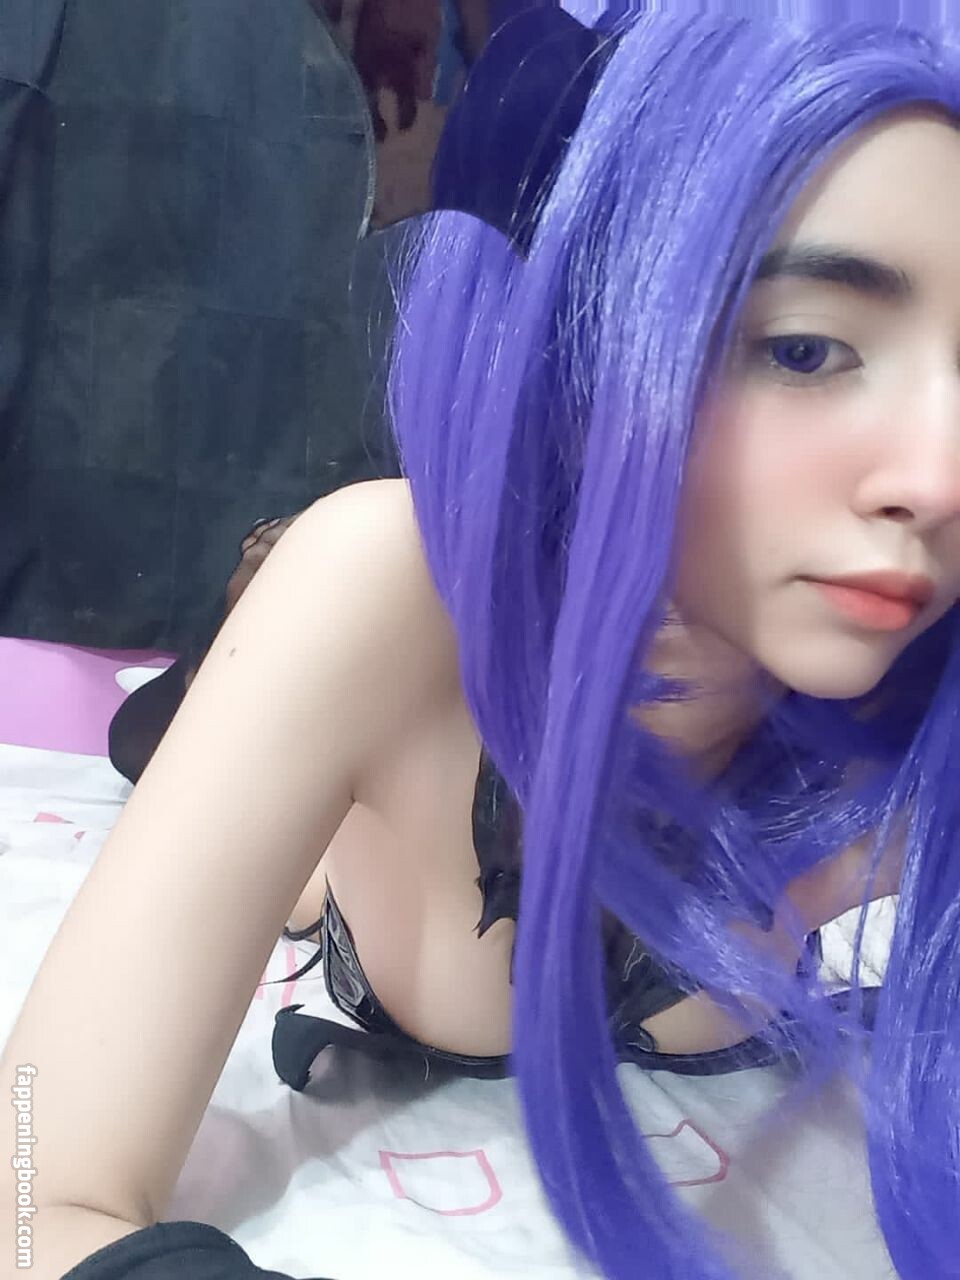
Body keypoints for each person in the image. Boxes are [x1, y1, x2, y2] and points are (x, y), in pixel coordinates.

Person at [4, 5, 960, 1280]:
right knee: (240, 697)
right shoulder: (378, 591)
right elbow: (30, 1187)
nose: (938, 477)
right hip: (381, 638)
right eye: (805, 347)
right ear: (600, 328)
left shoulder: (911, 706)